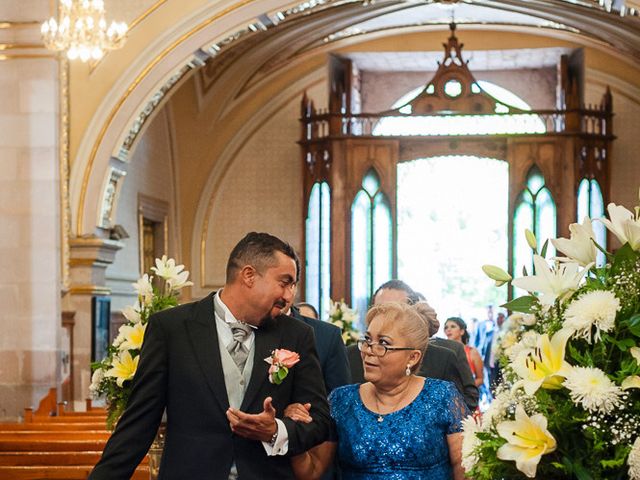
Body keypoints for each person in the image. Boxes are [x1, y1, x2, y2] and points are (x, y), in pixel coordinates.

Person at [89, 232, 331, 479]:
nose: (290, 296)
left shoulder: (297, 335)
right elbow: (138, 424)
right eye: (284, 282)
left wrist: (276, 430)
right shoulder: (172, 329)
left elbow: (321, 423)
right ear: (248, 275)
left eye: (293, 286)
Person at [286, 301, 468, 479]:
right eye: (367, 340)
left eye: (383, 342)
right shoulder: (342, 400)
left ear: (412, 357)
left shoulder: (442, 396)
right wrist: (294, 430)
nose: (368, 350)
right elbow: (312, 471)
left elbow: (464, 469)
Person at [347, 280, 479, 410]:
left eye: (395, 312)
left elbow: (464, 405)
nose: (385, 319)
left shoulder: (443, 358)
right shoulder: (350, 356)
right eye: (380, 310)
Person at [444, 317, 484, 388]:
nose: (448, 330)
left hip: (468, 395)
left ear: (462, 331)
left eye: (453, 326)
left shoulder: (472, 352)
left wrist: (464, 389)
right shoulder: (443, 352)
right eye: (446, 328)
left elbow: (480, 379)